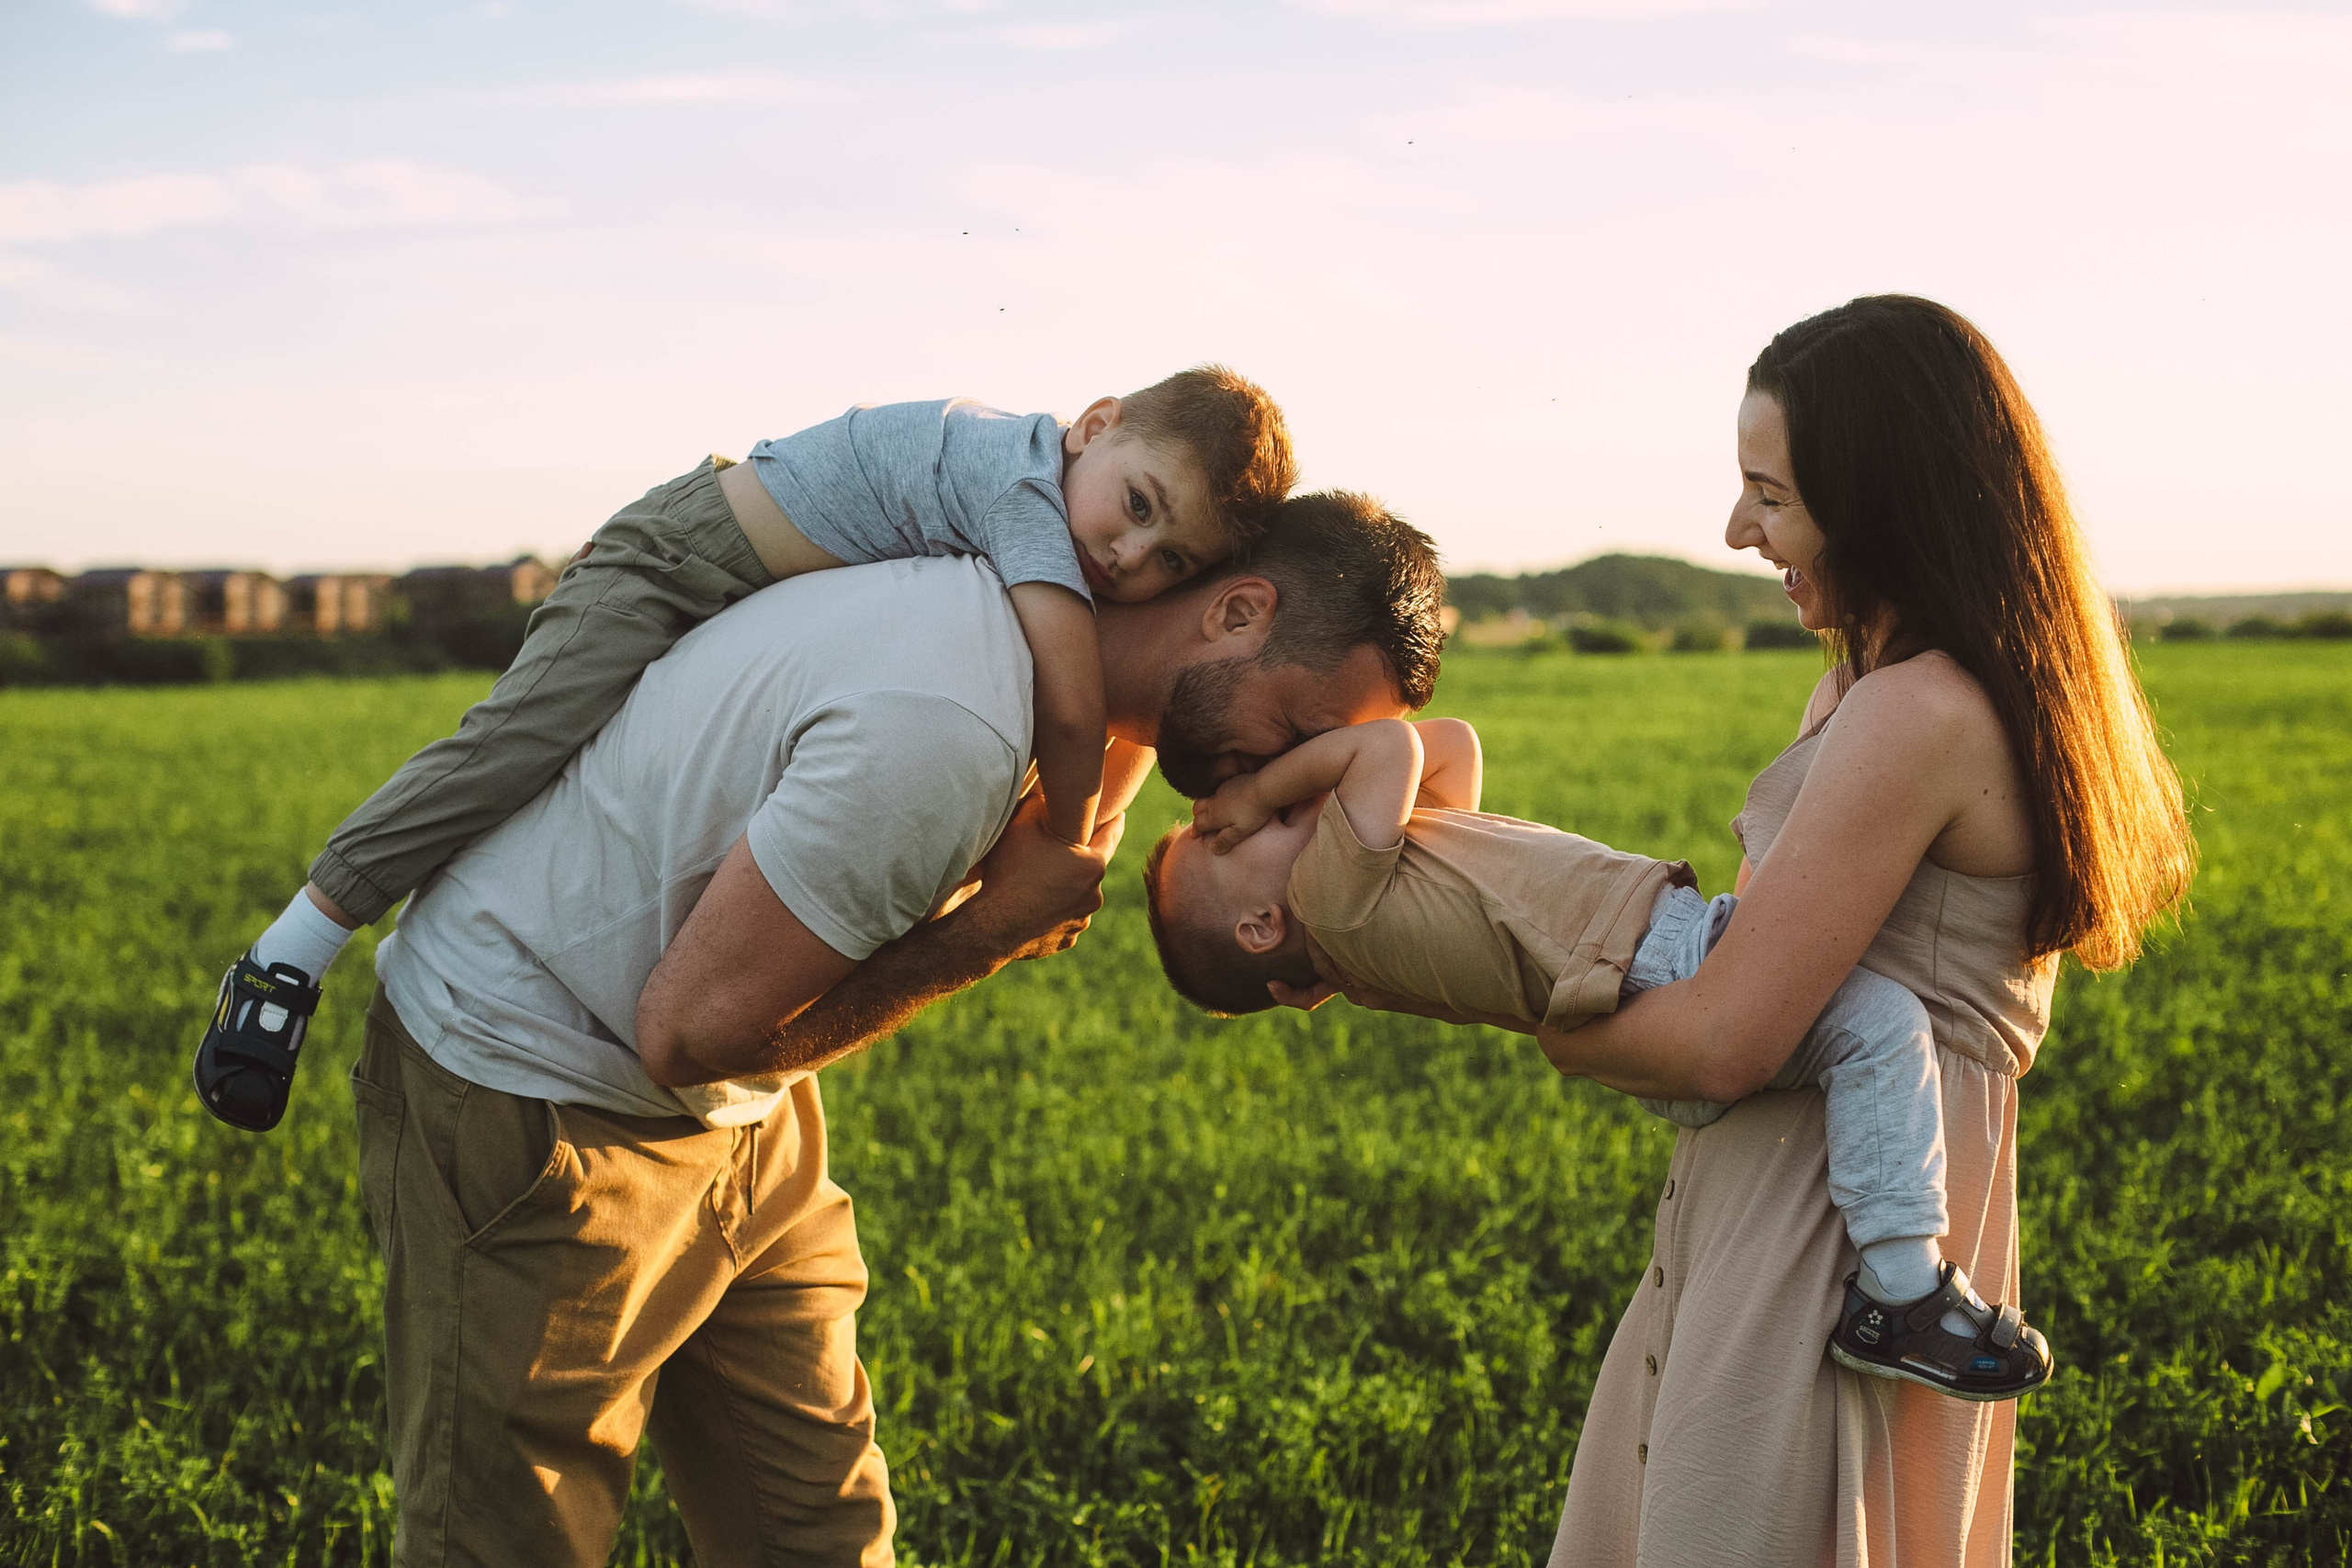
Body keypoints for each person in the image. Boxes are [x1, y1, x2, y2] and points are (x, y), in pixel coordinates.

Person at [337, 490, 1444, 1563]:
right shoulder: (949, 722)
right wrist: (992, 932)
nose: (1282, 773)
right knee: (511, 1543)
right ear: (1238, 609)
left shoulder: (1077, 670)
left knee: (817, 1535)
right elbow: (684, 1030)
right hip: (537, 1101)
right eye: (1298, 729)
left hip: (739, 1111)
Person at [1277, 297, 2193, 1562]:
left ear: (1879, 500)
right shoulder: (1876, 686)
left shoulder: (1913, 713)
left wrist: (1556, 1015)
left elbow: (1722, 1042)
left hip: (1822, 1236)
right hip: (1807, 1205)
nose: (1735, 530)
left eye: (1769, 493)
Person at [192, 367, 1295, 1132]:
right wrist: (1062, 848)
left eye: (1168, 559)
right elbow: (1074, 702)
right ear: (1096, 423)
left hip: (739, 588)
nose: (1127, 551)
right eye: (1137, 505)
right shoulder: (1024, 493)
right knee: (512, 748)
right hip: (671, 561)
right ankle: (293, 949)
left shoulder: (1064, 502)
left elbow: (1107, 714)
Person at [1143, 714, 2052, 1401]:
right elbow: (1389, 748)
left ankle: (1894, 1271)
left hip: (1646, 966)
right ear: (1263, 926)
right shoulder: (1333, 900)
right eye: (1226, 839)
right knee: (1878, 1021)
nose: (1253, 810)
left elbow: (1445, 746)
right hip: (1648, 970)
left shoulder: (1369, 895)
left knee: (1859, 1001)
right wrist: (1263, 792)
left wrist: (1276, 809)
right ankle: (1901, 1290)